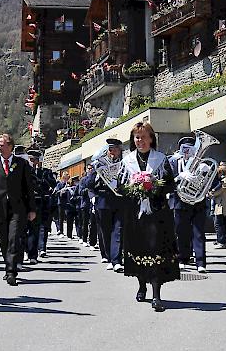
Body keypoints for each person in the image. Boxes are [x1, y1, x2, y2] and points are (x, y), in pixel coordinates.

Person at [120, 122, 179, 312]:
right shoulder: (127, 160)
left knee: (156, 251)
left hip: (157, 213)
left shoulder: (161, 159)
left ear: (151, 138)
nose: (140, 141)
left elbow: (171, 185)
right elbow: (120, 187)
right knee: (138, 249)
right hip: (135, 213)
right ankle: (141, 284)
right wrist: (134, 188)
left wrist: (153, 185)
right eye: (137, 137)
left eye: (144, 137)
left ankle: (156, 294)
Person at [0, 133, 36, 286]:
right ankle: (8, 266)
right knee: (4, 241)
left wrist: (32, 209)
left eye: (2, 145)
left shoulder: (21, 164)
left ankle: (11, 272)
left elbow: (29, 187)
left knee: (14, 239)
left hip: (18, 208)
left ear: (10, 146)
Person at [169, 135, 208, 272]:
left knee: (198, 233)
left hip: (198, 202)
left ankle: (201, 262)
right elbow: (166, 182)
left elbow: (212, 185)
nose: (187, 152)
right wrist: (179, 177)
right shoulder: (173, 162)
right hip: (180, 202)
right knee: (181, 232)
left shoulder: (203, 164)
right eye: (184, 149)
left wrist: (205, 174)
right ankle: (182, 258)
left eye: (190, 149)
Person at [86, 138, 125, 271]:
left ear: (120, 150)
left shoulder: (124, 163)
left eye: (115, 149)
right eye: (110, 149)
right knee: (106, 231)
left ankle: (117, 260)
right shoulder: (99, 163)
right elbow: (88, 184)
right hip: (103, 200)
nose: (112, 152)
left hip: (119, 200)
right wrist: (96, 175)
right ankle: (109, 256)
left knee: (118, 230)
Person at [26, 149, 55, 262]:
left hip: (40, 203)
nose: (32, 162)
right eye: (31, 160)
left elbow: (52, 184)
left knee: (38, 228)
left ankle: (35, 253)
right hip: (26, 202)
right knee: (24, 228)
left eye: (34, 160)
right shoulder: (24, 170)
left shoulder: (45, 172)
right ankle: (26, 250)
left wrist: (42, 178)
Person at [209, 164, 226, 248]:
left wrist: (211, 193)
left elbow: (220, 190)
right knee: (223, 224)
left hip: (221, 204)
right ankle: (225, 240)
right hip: (219, 204)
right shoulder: (222, 181)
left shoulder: (224, 181)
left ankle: (221, 241)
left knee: (218, 224)